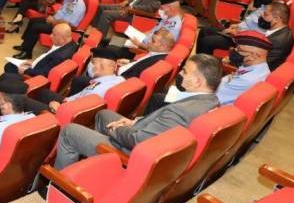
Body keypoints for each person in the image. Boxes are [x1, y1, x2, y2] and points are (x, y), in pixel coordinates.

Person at [54, 54, 221, 169]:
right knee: (102, 115)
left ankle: (60, 182)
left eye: (185, 71)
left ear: (198, 81)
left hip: (131, 151)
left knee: (69, 131)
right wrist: (134, 122)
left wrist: (116, 129)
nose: (180, 73)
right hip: (144, 134)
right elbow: (161, 125)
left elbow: (138, 141)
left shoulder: (182, 112)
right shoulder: (211, 101)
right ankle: (95, 164)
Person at [147, 33, 271, 114]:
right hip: (212, 99)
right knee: (169, 90)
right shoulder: (257, 69)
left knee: (158, 97)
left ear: (254, 55)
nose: (234, 51)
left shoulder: (248, 79)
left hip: (209, 108)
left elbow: (212, 97)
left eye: (240, 50)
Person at [18, 48, 125, 114]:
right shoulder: (119, 80)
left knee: (23, 101)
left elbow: (78, 112)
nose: (91, 66)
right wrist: (67, 100)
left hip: (66, 114)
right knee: (43, 92)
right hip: (72, 103)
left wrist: (58, 107)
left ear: (100, 66)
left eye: (93, 62)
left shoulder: (97, 90)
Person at [196, 0, 285, 57]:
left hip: (244, 41)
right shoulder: (267, 5)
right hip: (239, 32)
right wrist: (238, 25)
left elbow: (263, 33)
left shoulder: (277, 12)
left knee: (207, 42)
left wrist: (239, 33)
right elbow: (251, 21)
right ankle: (198, 62)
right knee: (204, 31)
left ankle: (204, 67)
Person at [12, 0, 86, 59]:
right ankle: (25, 46)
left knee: (36, 27)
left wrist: (53, 21)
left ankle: (27, 53)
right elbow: (62, 12)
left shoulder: (78, 5)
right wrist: (53, 17)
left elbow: (69, 24)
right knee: (33, 20)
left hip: (62, 28)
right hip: (56, 21)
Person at [3, 22, 78, 77]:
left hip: (36, 72)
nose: (50, 36)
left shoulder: (60, 56)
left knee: (9, 66)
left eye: (54, 35)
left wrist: (25, 71)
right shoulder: (72, 44)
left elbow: (44, 73)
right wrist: (33, 62)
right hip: (38, 65)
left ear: (63, 39)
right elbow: (47, 58)